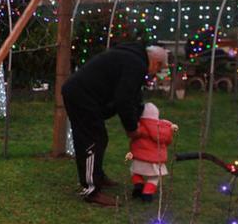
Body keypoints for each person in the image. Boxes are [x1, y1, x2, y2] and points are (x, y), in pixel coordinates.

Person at [61, 43, 168, 206]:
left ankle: (97, 178)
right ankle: (91, 191)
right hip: (81, 96)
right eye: (159, 69)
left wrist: (139, 116)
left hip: (82, 94)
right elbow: (123, 99)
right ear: (156, 63)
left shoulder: (133, 58)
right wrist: (132, 128)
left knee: (99, 138)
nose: (154, 74)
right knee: (91, 141)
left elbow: (132, 95)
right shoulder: (136, 64)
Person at [125, 102, 178, 202]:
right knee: (154, 177)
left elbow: (132, 134)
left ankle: (138, 184)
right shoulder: (163, 128)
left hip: (139, 158)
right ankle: (147, 194)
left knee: (134, 171)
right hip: (155, 161)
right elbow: (168, 141)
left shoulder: (140, 127)